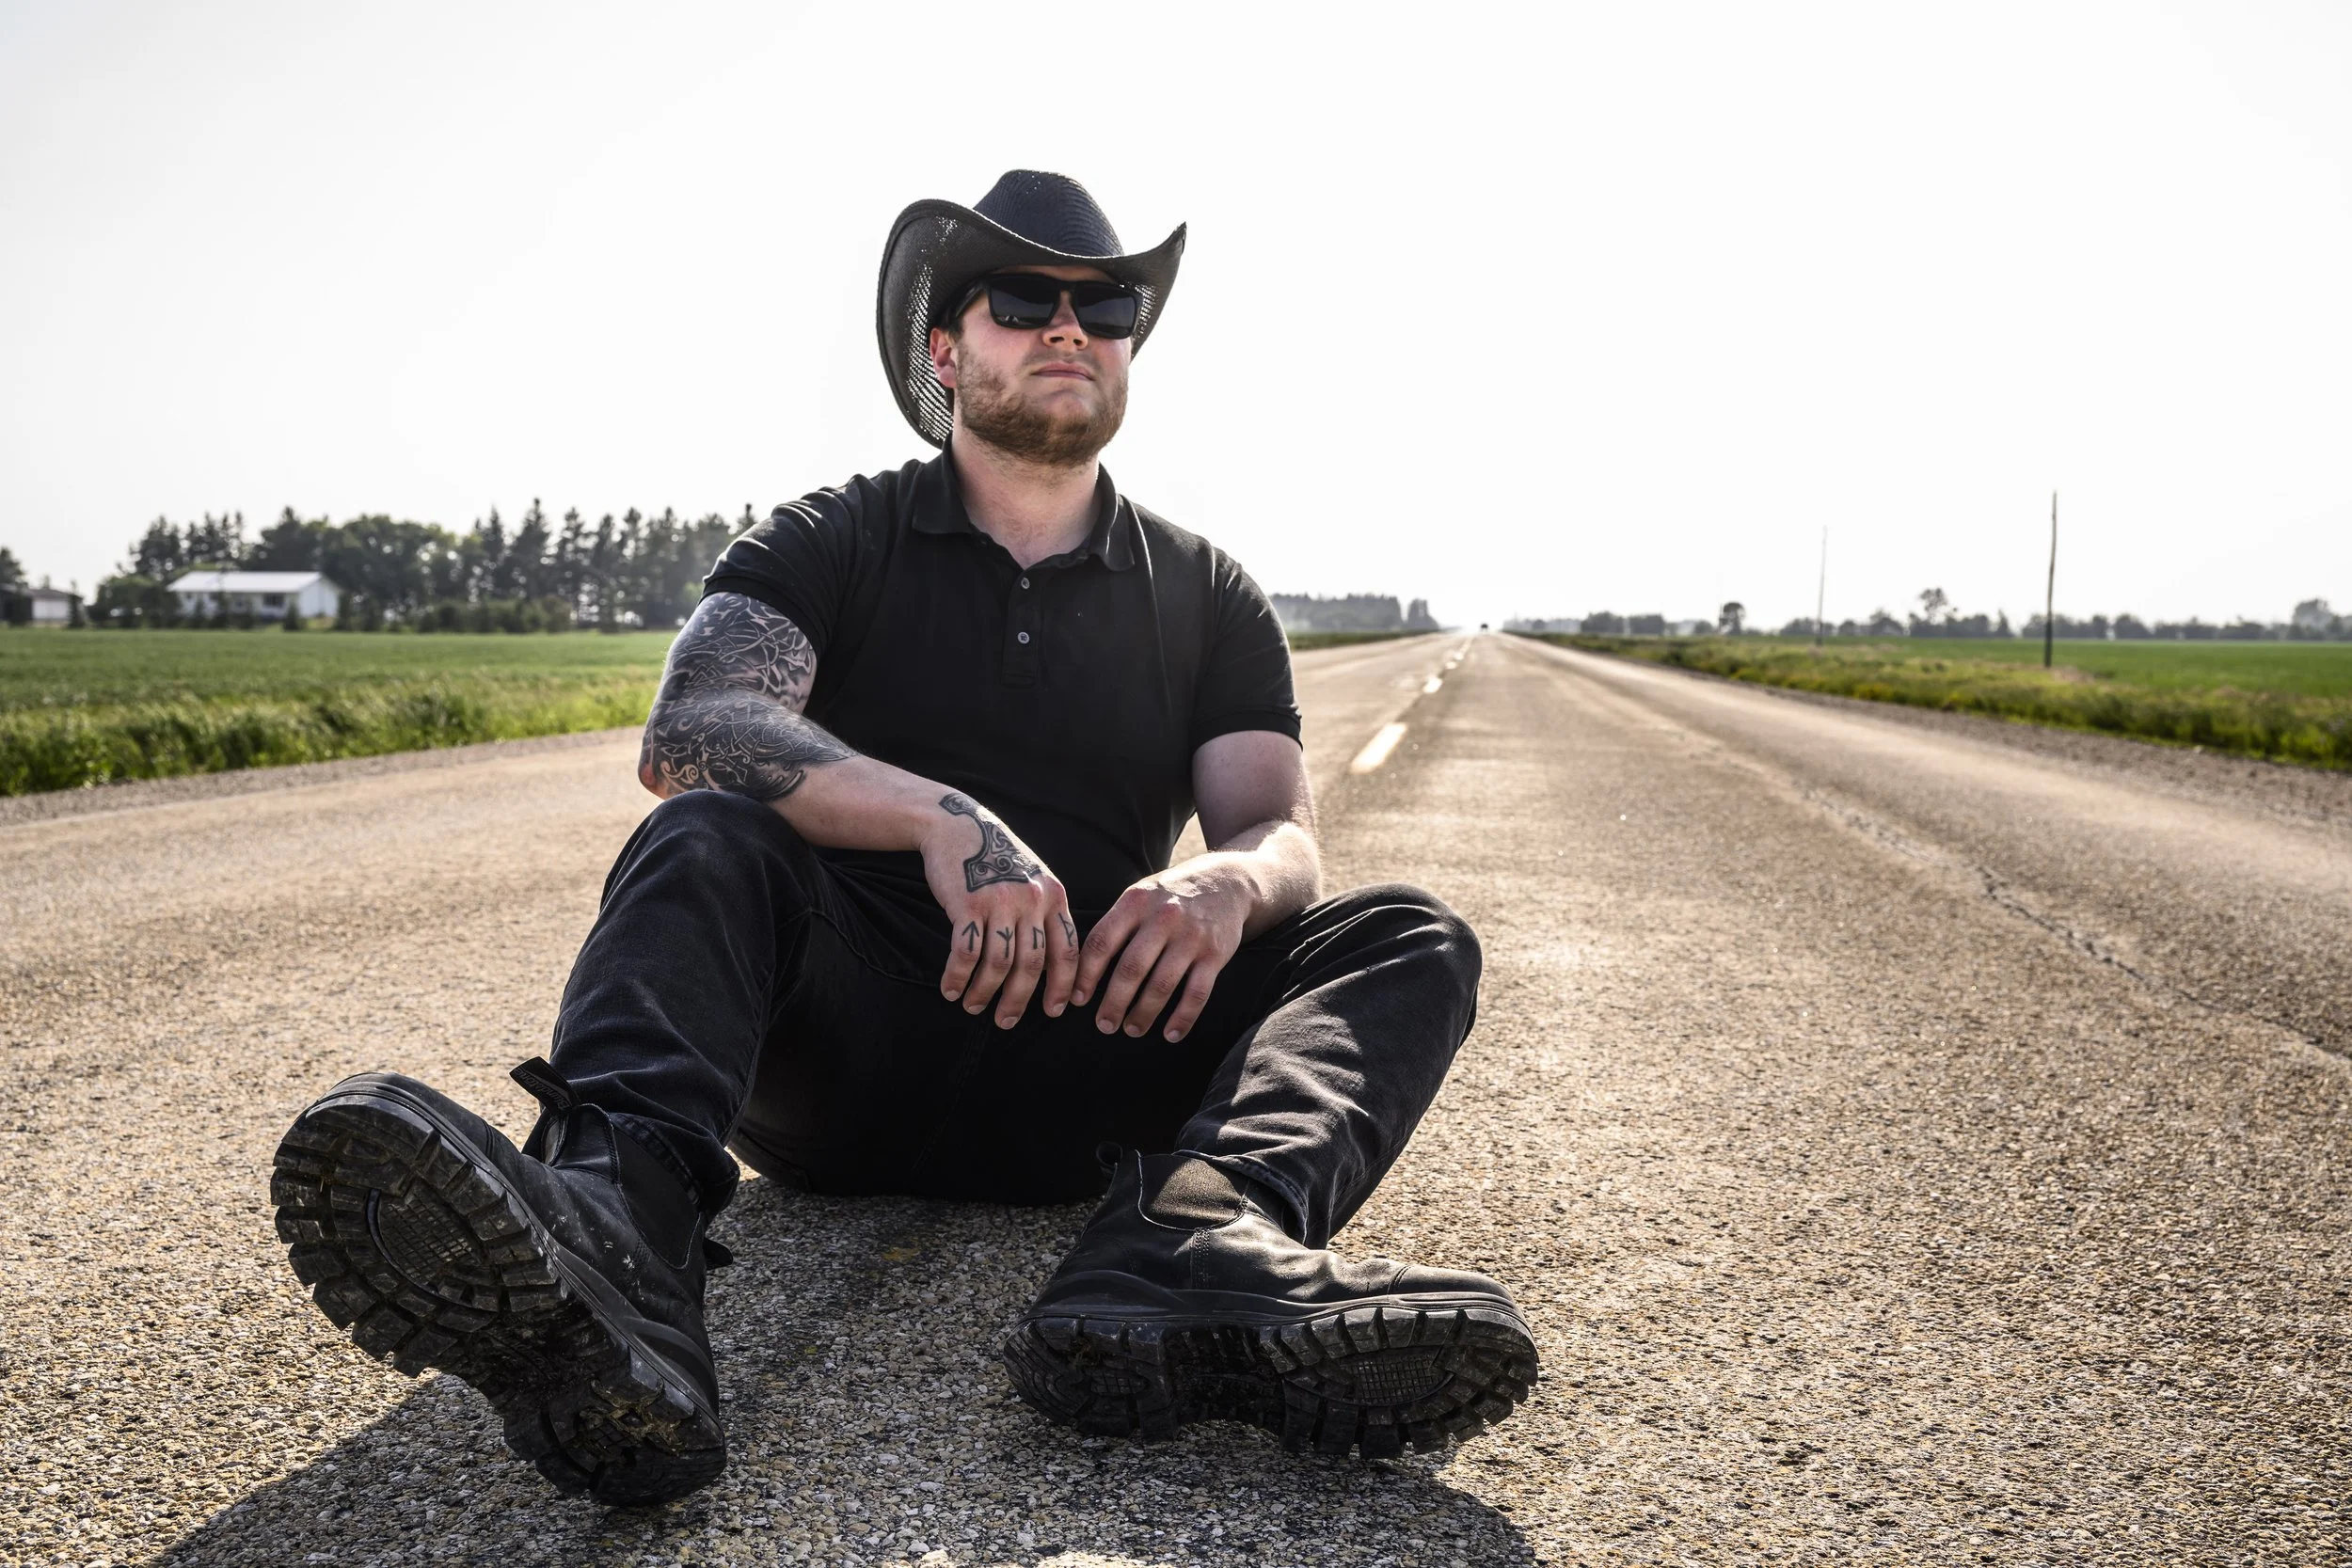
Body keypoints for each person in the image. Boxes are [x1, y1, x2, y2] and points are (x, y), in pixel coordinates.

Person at [269, 171, 1537, 1505]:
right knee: (708, 829)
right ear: (946, 349)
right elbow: (693, 721)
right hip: (850, 1055)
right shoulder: (836, 536)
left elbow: (1276, 821)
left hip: (1105, 1058)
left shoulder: (1208, 592)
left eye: (1104, 302)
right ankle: (615, 1234)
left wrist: (1225, 880)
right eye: (1021, 297)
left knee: (1404, 934)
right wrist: (943, 814)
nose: (1070, 325)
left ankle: (1193, 1239)